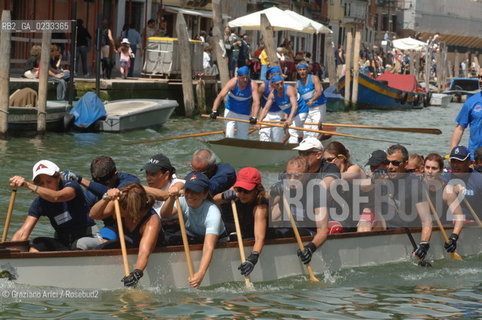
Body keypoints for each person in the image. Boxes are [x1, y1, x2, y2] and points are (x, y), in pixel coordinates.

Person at [9, 160, 98, 252]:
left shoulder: (71, 186)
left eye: (49, 181)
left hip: (89, 238)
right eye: (41, 183)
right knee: (37, 244)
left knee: (79, 244)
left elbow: (57, 197)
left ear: (58, 178)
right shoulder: (39, 203)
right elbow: (23, 233)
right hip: (64, 243)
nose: (46, 186)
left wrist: (27, 185)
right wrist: (8, 250)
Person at [160, 172, 226, 288]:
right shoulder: (182, 201)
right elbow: (164, 214)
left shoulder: (212, 212)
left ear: (205, 194)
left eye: (195, 191)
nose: (190, 195)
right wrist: (170, 198)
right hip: (194, 236)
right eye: (188, 190)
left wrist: (200, 274)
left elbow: (208, 246)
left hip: (218, 241)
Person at [89, 182, 161, 287]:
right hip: (129, 246)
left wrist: (136, 273)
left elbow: (143, 253)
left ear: (131, 209)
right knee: (99, 250)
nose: (116, 207)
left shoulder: (151, 222)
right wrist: (106, 198)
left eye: (121, 207)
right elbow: (94, 215)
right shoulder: (120, 203)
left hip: (153, 253)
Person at [269, 156, 329, 265]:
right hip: (288, 230)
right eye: (288, 175)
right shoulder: (285, 186)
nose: (291, 180)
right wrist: (273, 194)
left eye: (297, 176)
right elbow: (267, 209)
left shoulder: (317, 192)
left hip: (310, 234)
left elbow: (323, 231)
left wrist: (311, 248)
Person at [214, 167, 268, 276]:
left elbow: (259, 237)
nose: (242, 194)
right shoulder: (236, 190)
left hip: (264, 235)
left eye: (246, 191)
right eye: (239, 189)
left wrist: (253, 258)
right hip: (243, 230)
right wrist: (224, 195)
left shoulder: (260, 208)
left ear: (256, 189)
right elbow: (214, 200)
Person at [383, 144, 433, 260]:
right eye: (388, 162)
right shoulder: (382, 180)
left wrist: (424, 244)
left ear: (405, 164)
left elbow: (426, 221)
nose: (390, 166)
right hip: (386, 233)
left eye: (395, 163)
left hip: (407, 235)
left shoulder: (415, 185)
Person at [442, 146, 482, 253]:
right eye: (453, 161)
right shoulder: (444, 178)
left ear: (469, 162)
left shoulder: (479, 180)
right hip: (448, 224)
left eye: (460, 162)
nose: (455, 165)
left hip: (472, 225)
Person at [210, 65, 260, 140]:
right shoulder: (232, 82)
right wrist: (214, 110)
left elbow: (256, 102)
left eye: (247, 77)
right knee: (229, 135)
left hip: (244, 114)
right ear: (238, 77)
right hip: (231, 112)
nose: (245, 80)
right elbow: (220, 96)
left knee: (243, 138)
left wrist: (254, 116)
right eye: (243, 78)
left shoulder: (252, 85)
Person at [258, 74, 306, 144]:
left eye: (281, 83)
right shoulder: (272, 94)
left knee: (292, 131)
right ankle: (286, 140)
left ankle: (291, 150)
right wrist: (259, 122)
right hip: (292, 113)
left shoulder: (289, 89)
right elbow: (265, 109)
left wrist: (289, 119)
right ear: (273, 85)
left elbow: (295, 106)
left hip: (301, 110)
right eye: (277, 84)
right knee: (289, 130)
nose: (280, 86)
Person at [296, 62, 327, 138]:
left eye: (304, 69)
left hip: (318, 106)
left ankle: (319, 136)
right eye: (300, 70)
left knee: (315, 128)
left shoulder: (314, 78)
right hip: (307, 109)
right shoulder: (297, 83)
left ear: (307, 70)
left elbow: (319, 92)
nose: (302, 72)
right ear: (298, 71)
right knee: (306, 130)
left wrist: (312, 100)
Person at [450, 91, 482, 159]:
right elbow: (459, 128)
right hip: (475, 158)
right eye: (479, 79)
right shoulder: (471, 101)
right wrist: (452, 153)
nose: (480, 81)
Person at [257, 66, 284, 142]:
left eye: (279, 75)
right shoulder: (263, 86)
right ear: (270, 76)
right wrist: (257, 119)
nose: (277, 77)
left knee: (277, 139)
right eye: (275, 75)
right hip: (266, 114)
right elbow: (257, 102)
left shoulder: (282, 86)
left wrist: (286, 118)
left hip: (279, 114)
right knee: (263, 135)